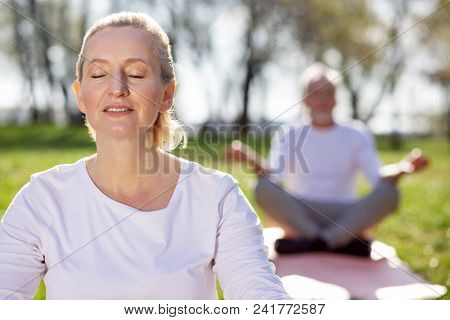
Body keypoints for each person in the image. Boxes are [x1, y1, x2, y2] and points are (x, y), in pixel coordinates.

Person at [0, 12, 291, 300]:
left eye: (136, 74)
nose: (117, 89)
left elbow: (259, 294)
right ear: (80, 95)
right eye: (99, 74)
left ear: (167, 94)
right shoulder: (42, 199)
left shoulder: (217, 197)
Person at [227, 63, 429, 257]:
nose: (322, 100)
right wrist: (249, 157)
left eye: (328, 93)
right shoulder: (289, 133)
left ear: (336, 99)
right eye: (316, 94)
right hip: (301, 213)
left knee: (390, 192)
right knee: (263, 187)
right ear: (305, 99)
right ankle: (338, 243)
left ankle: (315, 243)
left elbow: (378, 178)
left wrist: (405, 167)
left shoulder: (356, 133)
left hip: (345, 215)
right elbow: (273, 175)